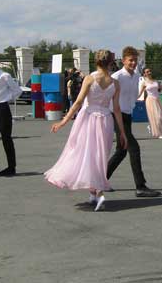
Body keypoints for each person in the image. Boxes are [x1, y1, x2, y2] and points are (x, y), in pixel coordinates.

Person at [46, 50, 127, 211]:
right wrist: (122, 132)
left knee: (81, 152)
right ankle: (94, 193)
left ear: (96, 62)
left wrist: (63, 121)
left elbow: (77, 102)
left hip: (88, 118)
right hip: (105, 119)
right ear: (111, 63)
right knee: (100, 156)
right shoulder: (115, 83)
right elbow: (117, 109)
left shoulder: (90, 78)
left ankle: (98, 194)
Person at [106, 46, 160, 197]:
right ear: (123, 60)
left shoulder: (136, 76)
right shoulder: (117, 77)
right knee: (133, 148)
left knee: (121, 151)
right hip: (116, 115)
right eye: (130, 60)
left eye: (135, 60)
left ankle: (101, 180)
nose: (133, 63)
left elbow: (134, 95)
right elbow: (108, 97)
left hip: (127, 115)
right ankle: (140, 186)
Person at [139, 67, 162, 139]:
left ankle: (151, 127)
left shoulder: (156, 81)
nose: (149, 72)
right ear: (144, 74)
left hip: (157, 100)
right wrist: (133, 99)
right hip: (150, 101)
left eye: (150, 71)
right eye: (147, 72)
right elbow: (140, 94)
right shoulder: (144, 83)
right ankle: (158, 133)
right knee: (157, 117)